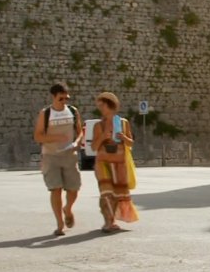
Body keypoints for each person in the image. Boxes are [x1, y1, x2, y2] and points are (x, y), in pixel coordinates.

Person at [33, 82, 84, 236]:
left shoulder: (73, 112)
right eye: (61, 99)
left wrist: (77, 142)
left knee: (73, 189)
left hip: (70, 155)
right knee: (55, 189)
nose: (64, 101)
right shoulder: (46, 113)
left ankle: (67, 209)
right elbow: (38, 136)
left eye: (66, 98)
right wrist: (56, 137)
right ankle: (60, 224)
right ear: (53, 97)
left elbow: (80, 131)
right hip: (51, 156)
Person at [91, 92, 139, 233]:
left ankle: (112, 221)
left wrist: (123, 137)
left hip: (119, 163)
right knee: (106, 193)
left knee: (118, 194)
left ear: (110, 105)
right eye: (99, 106)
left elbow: (131, 143)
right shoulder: (98, 125)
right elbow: (94, 147)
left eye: (102, 105)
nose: (100, 109)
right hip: (103, 163)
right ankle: (108, 222)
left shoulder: (123, 123)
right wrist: (102, 137)